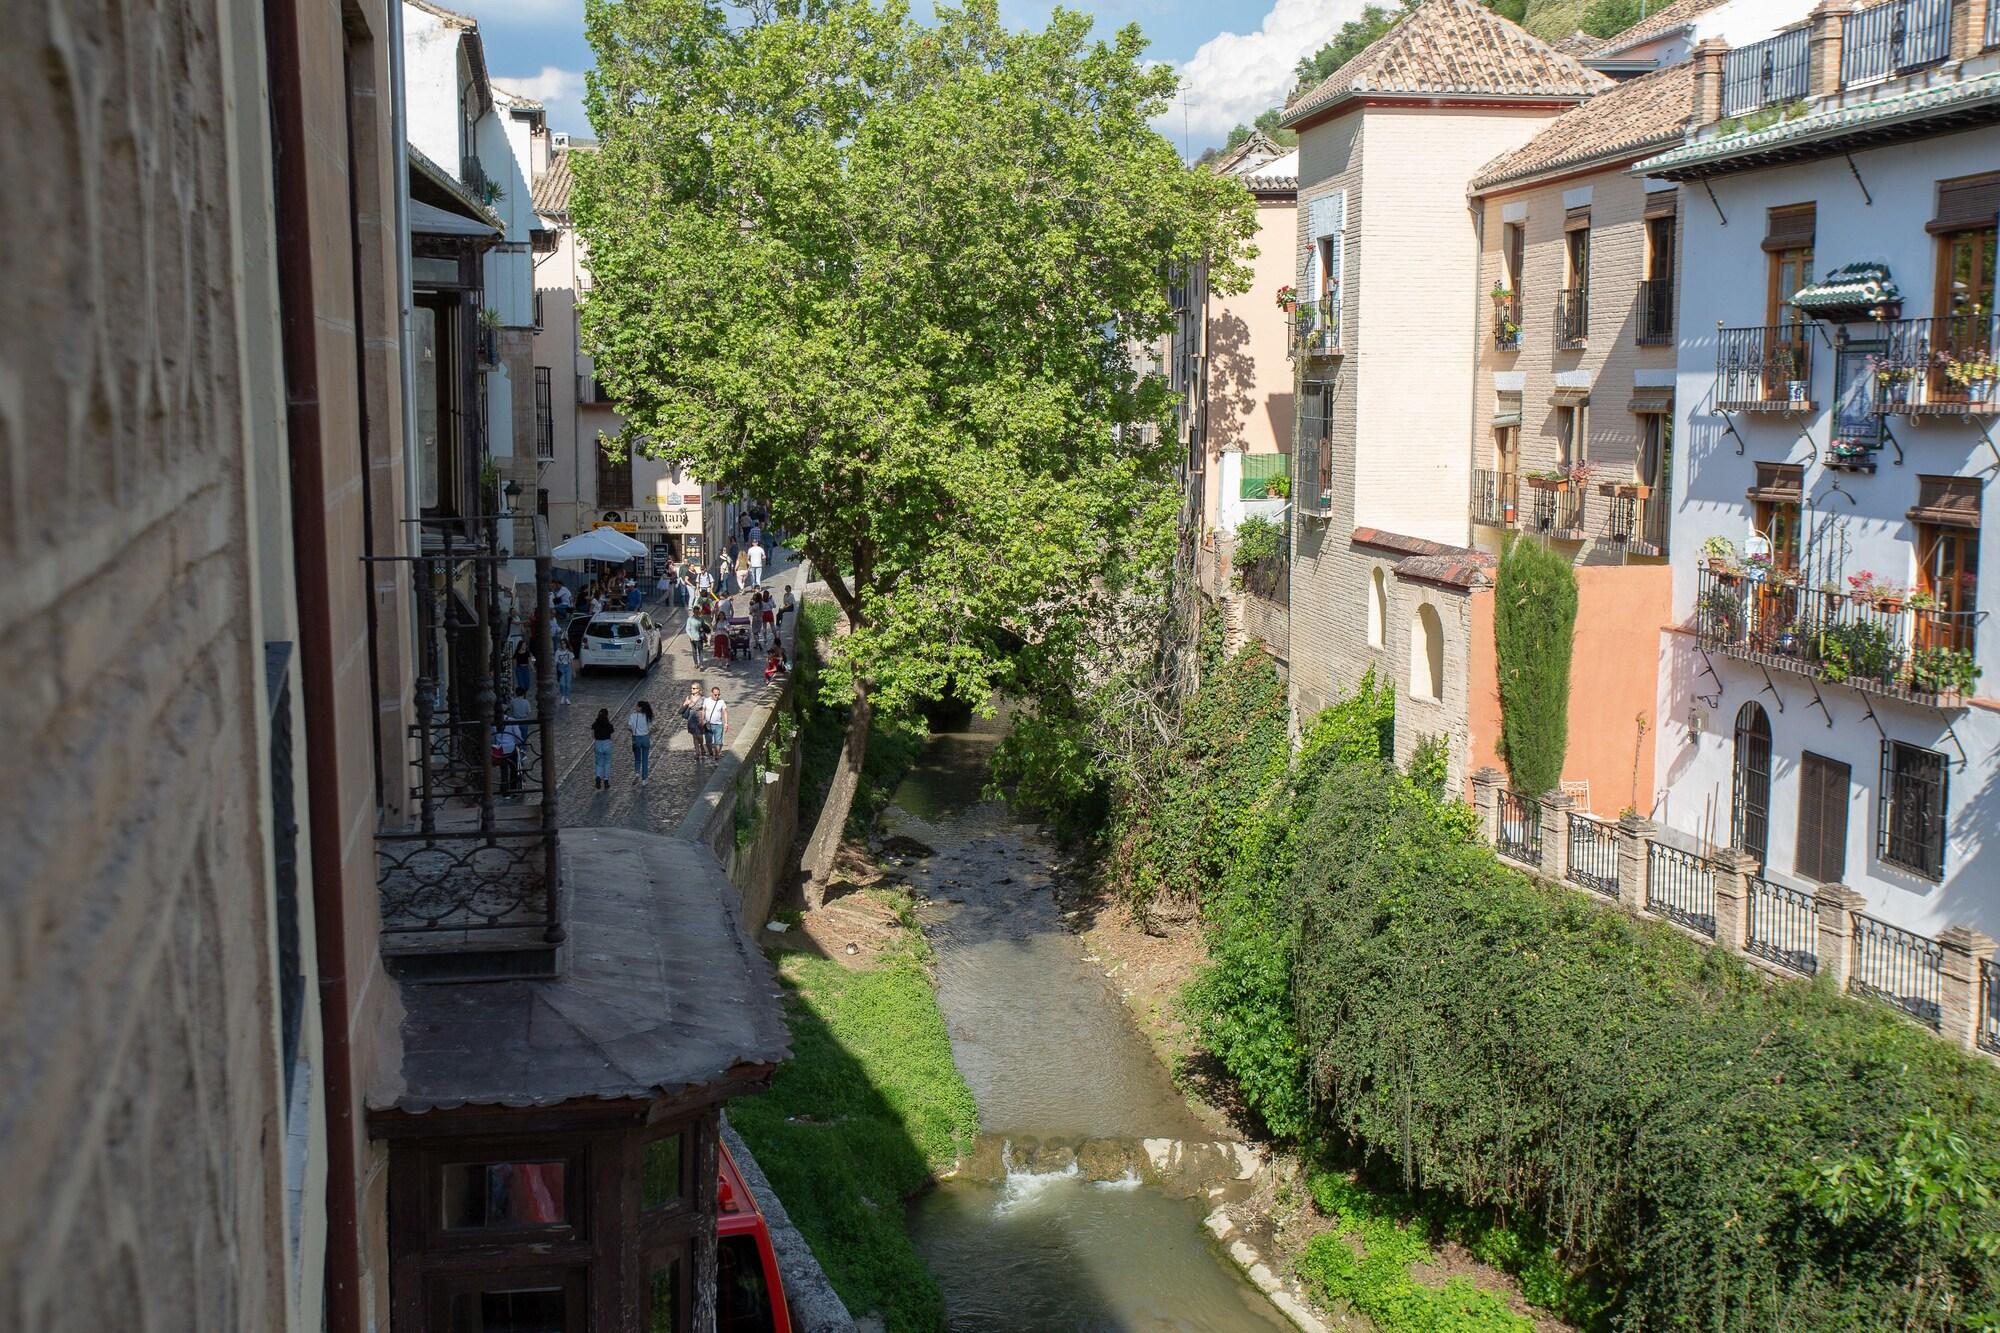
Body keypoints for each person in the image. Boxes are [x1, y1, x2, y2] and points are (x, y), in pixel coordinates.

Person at [629, 701, 655, 786]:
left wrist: (634, 731)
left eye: (637, 706)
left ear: (640, 707)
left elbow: (629, 727)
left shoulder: (633, 716)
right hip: (645, 738)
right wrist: (649, 733)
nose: (635, 707)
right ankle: (644, 779)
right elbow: (655, 727)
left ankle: (637, 773)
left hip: (636, 738)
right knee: (645, 759)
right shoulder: (647, 716)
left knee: (637, 758)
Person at [590, 709, 615, 789]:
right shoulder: (609, 725)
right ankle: (606, 780)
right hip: (607, 744)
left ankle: (598, 777)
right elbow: (611, 734)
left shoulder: (595, 724)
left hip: (598, 744)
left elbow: (593, 736)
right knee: (607, 762)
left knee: (599, 762)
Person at [702, 686, 728, 755]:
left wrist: (726, 723)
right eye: (715, 694)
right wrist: (702, 720)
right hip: (708, 724)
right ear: (711, 693)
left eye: (718, 695)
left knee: (718, 741)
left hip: (718, 725)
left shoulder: (721, 702)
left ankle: (717, 755)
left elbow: (725, 712)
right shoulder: (706, 700)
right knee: (708, 741)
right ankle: (710, 752)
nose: (717, 696)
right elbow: (703, 711)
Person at [554, 638, 574, 704]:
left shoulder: (569, 651)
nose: (563, 645)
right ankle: (562, 696)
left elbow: (571, 661)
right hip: (561, 668)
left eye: (564, 643)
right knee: (562, 684)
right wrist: (554, 671)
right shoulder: (557, 651)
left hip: (568, 667)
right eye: (562, 643)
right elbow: (556, 662)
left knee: (568, 684)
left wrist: (573, 671)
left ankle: (567, 697)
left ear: (566, 644)